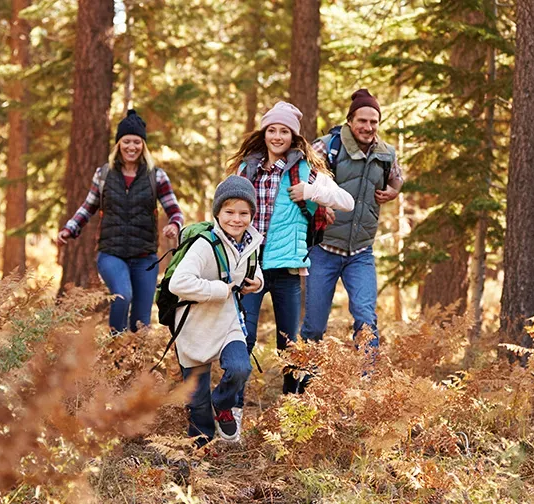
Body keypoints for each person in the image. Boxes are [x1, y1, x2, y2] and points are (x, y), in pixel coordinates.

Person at [229, 101, 354, 397]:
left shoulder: (305, 172)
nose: (277, 136)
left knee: (288, 346)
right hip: (249, 268)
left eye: (284, 131)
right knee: (243, 339)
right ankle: (233, 406)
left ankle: (290, 408)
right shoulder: (246, 169)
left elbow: (347, 201)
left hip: (286, 268)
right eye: (272, 130)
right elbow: (226, 209)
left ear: (293, 137)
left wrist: (311, 192)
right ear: (264, 133)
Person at [58, 110, 184, 333]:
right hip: (111, 253)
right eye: (126, 141)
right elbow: (88, 206)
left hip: (145, 257)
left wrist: (174, 225)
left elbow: (174, 210)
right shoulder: (104, 174)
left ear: (143, 145)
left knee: (141, 321)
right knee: (122, 295)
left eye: (137, 142)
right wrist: (70, 229)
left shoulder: (157, 176)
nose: (131, 147)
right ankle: (116, 349)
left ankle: (134, 365)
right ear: (119, 144)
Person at [301, 89, 403, 348]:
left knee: (367, 321)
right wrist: (321, 204)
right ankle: (303, 384)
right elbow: (300, 180)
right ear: (350, 120)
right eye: (362, 121)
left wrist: (393, 191)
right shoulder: (327, 146)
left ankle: (364, 384)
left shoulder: (386, 153)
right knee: (314, 325)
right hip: (323, 249)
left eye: (373, 122)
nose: (368, 127)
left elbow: (398, 177)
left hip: (361, 252)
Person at [169, 176, 263, 446]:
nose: (237, 219)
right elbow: (179, 283)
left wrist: (258, 282)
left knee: (239, 368)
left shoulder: (251, 242)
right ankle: (201, 450)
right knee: (197, 403)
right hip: (194, 326)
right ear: (218, 213)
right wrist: (219, 289)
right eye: (229, 212)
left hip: (227, 323)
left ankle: (221, 403)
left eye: (244, 213)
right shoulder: (203, 244)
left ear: (251, 215)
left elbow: (251, 269)